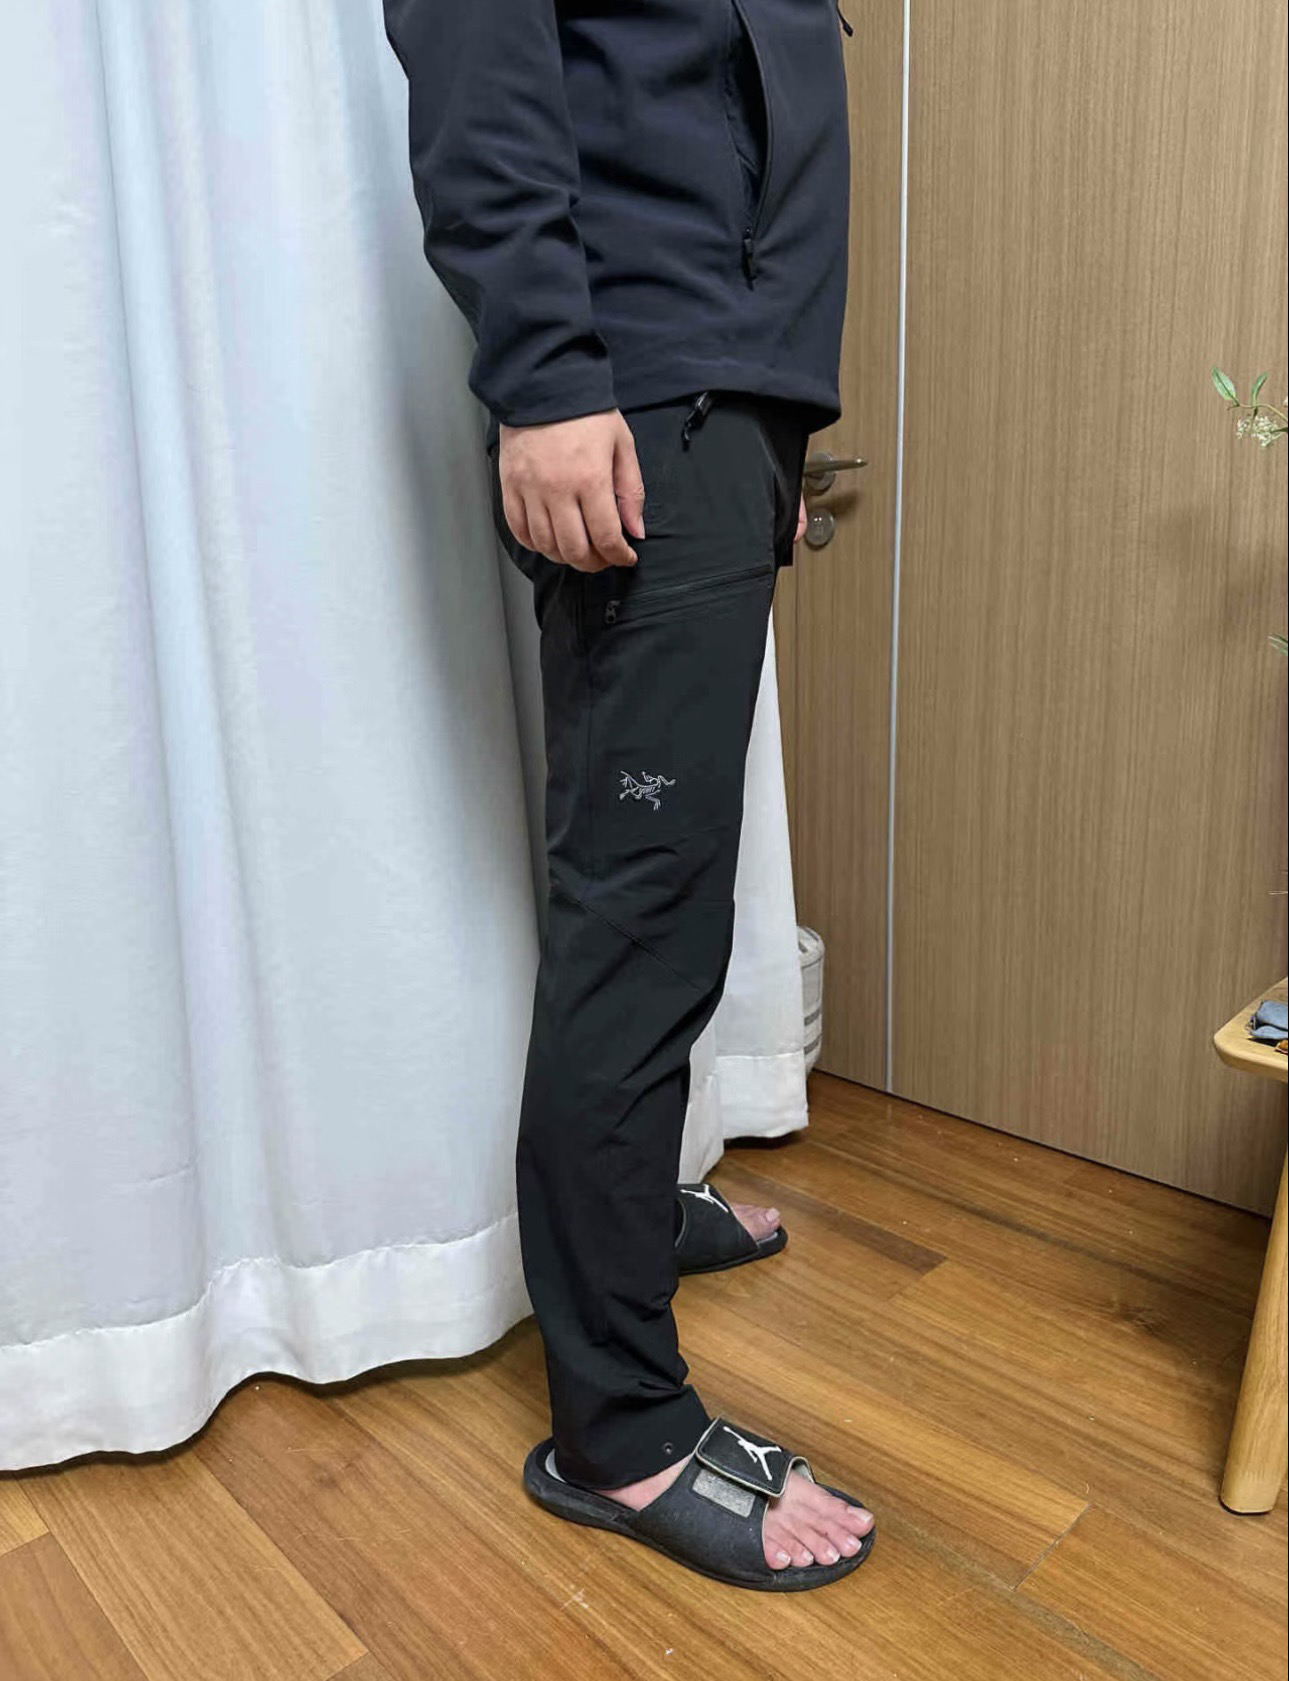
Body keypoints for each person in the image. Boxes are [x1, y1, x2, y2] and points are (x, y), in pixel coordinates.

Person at [382, 0, 876, 1591]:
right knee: (638, 906)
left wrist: (772, 414)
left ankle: (625, 1218)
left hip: (720, 390)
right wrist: (543, 375)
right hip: (642, 385)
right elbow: (478, 52)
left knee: (668, 876)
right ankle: (619, 1428)